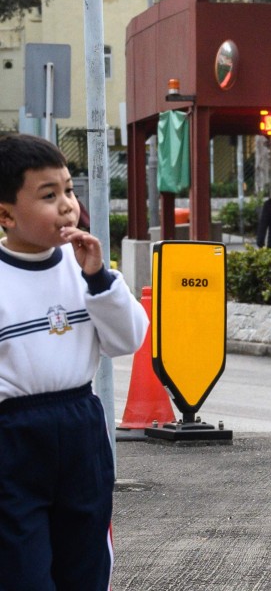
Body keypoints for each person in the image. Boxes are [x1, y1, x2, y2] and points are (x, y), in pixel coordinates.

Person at [0, 133, 149, 590]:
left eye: (68, 189)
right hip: (13, 437)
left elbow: (129, 339)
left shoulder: (83, 267)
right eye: (49, 195)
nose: (67, 205)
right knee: (21, 570)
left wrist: (99, 279)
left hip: (81, 426)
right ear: (5, 214)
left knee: (85, 564)